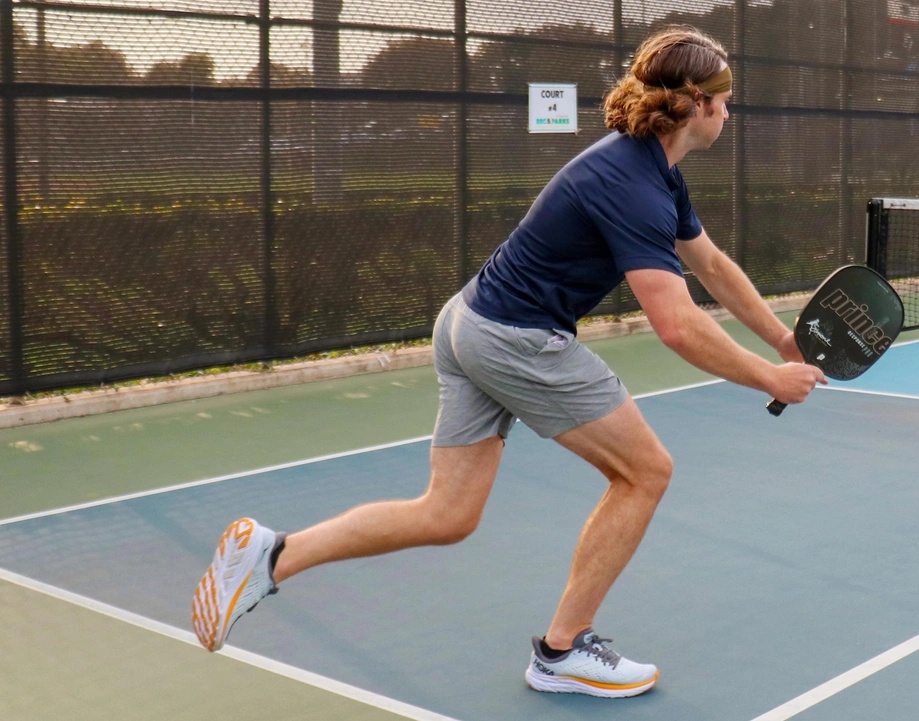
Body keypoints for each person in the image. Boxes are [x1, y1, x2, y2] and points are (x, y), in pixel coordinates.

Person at [190, 25, 826, 699]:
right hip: (517, 337)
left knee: (447, 513)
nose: (730, 112)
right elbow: (675, 323)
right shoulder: (632, 183)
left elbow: (713, 267)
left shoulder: (651, 172)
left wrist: (782, 340)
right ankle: (562, 650)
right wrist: (768, 377)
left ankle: (271, 554)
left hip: (468, 321)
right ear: (698, 102)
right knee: (645, 472)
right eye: (726, 100)